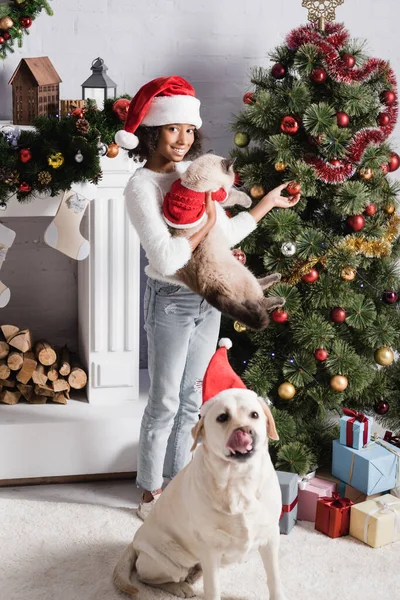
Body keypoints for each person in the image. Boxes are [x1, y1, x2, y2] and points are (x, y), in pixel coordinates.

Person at [116, 76, 300, 520]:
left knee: (193, 401)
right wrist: (201, 229)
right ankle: (149, 493)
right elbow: (165, 257)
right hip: (171, 301)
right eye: (172, 129)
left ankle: (179, 487)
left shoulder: (194, 177)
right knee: (164, 403)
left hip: (207, 302)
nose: (183, 140)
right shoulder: (141, 187)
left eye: (189, 130)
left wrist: (264, 206)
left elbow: (225, 232)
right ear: (152, 132)